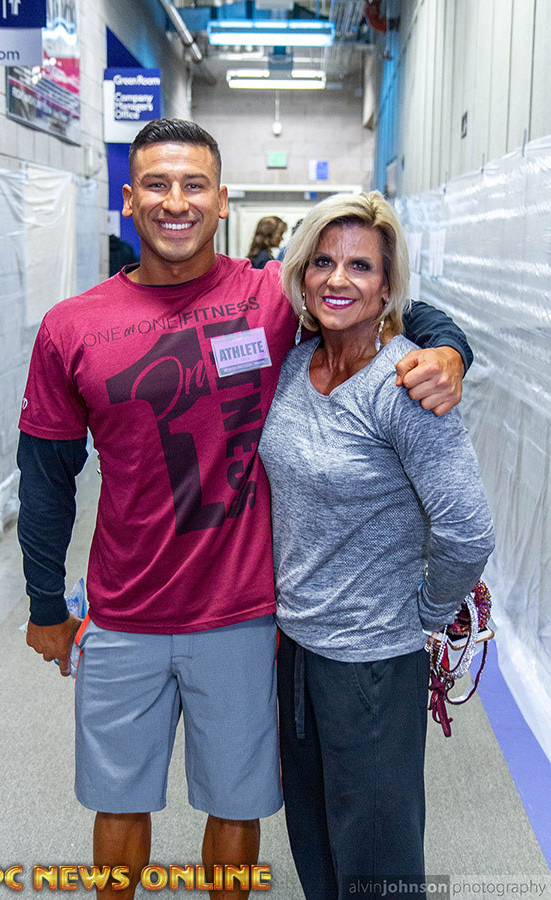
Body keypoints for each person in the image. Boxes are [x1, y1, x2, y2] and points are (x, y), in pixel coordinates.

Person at [17, 118, 474, 900]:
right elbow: (46, 476)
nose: (176, 202)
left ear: (222, 200)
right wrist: (42, 603)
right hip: (123, 611)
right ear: (129, 199)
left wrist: (451, 349)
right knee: (117, 800)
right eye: (157, 184)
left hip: (241, 613)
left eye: (194, 185)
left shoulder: (269, 299)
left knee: (236, 803)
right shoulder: (72, 326)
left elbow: (385, 303)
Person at [258, 191, 495, 900]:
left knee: (376, 860)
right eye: (322, 262)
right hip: (298, 647)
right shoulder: (296, 365)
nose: (338, 279)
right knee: (314, 838)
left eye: (361, 265)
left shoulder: (406, 384)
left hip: (372, 659)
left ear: (388, 287)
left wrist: (426, 612)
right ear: (301, 275)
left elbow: (467, 529)